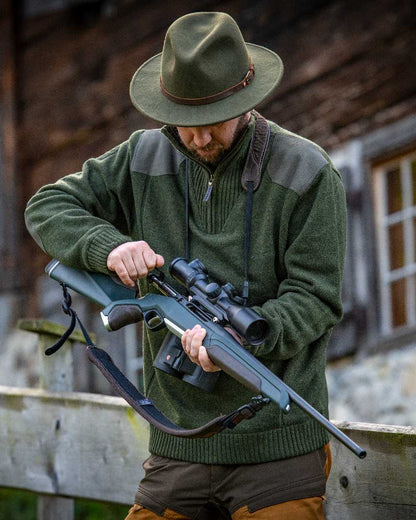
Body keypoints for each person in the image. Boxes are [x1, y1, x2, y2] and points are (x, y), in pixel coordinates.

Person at [25, 11, 346, 520]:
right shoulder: (141, 157)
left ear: (245, 103)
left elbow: (316, 298)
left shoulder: (308, 174)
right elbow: (46, 206)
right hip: (177, 450)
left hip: (277, 452)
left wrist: (245, 340)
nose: (198, 140)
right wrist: (108, 246)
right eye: (187, 123)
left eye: (213, 122)